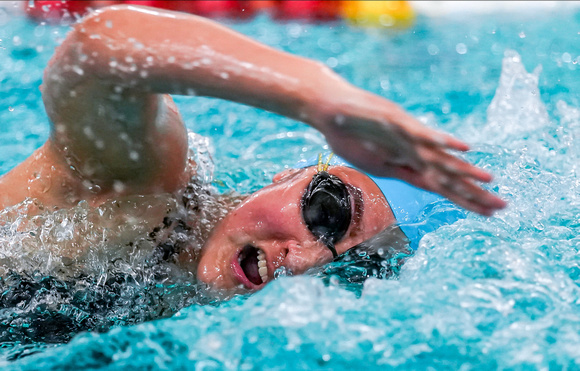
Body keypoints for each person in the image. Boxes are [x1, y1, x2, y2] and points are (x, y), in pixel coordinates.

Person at [0, 5, 506, 294]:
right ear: (292, 172)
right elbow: (97, 50)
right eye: (326, 212)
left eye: (358, 268)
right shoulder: (146, 184)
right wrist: (315, 94)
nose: (306, 261)